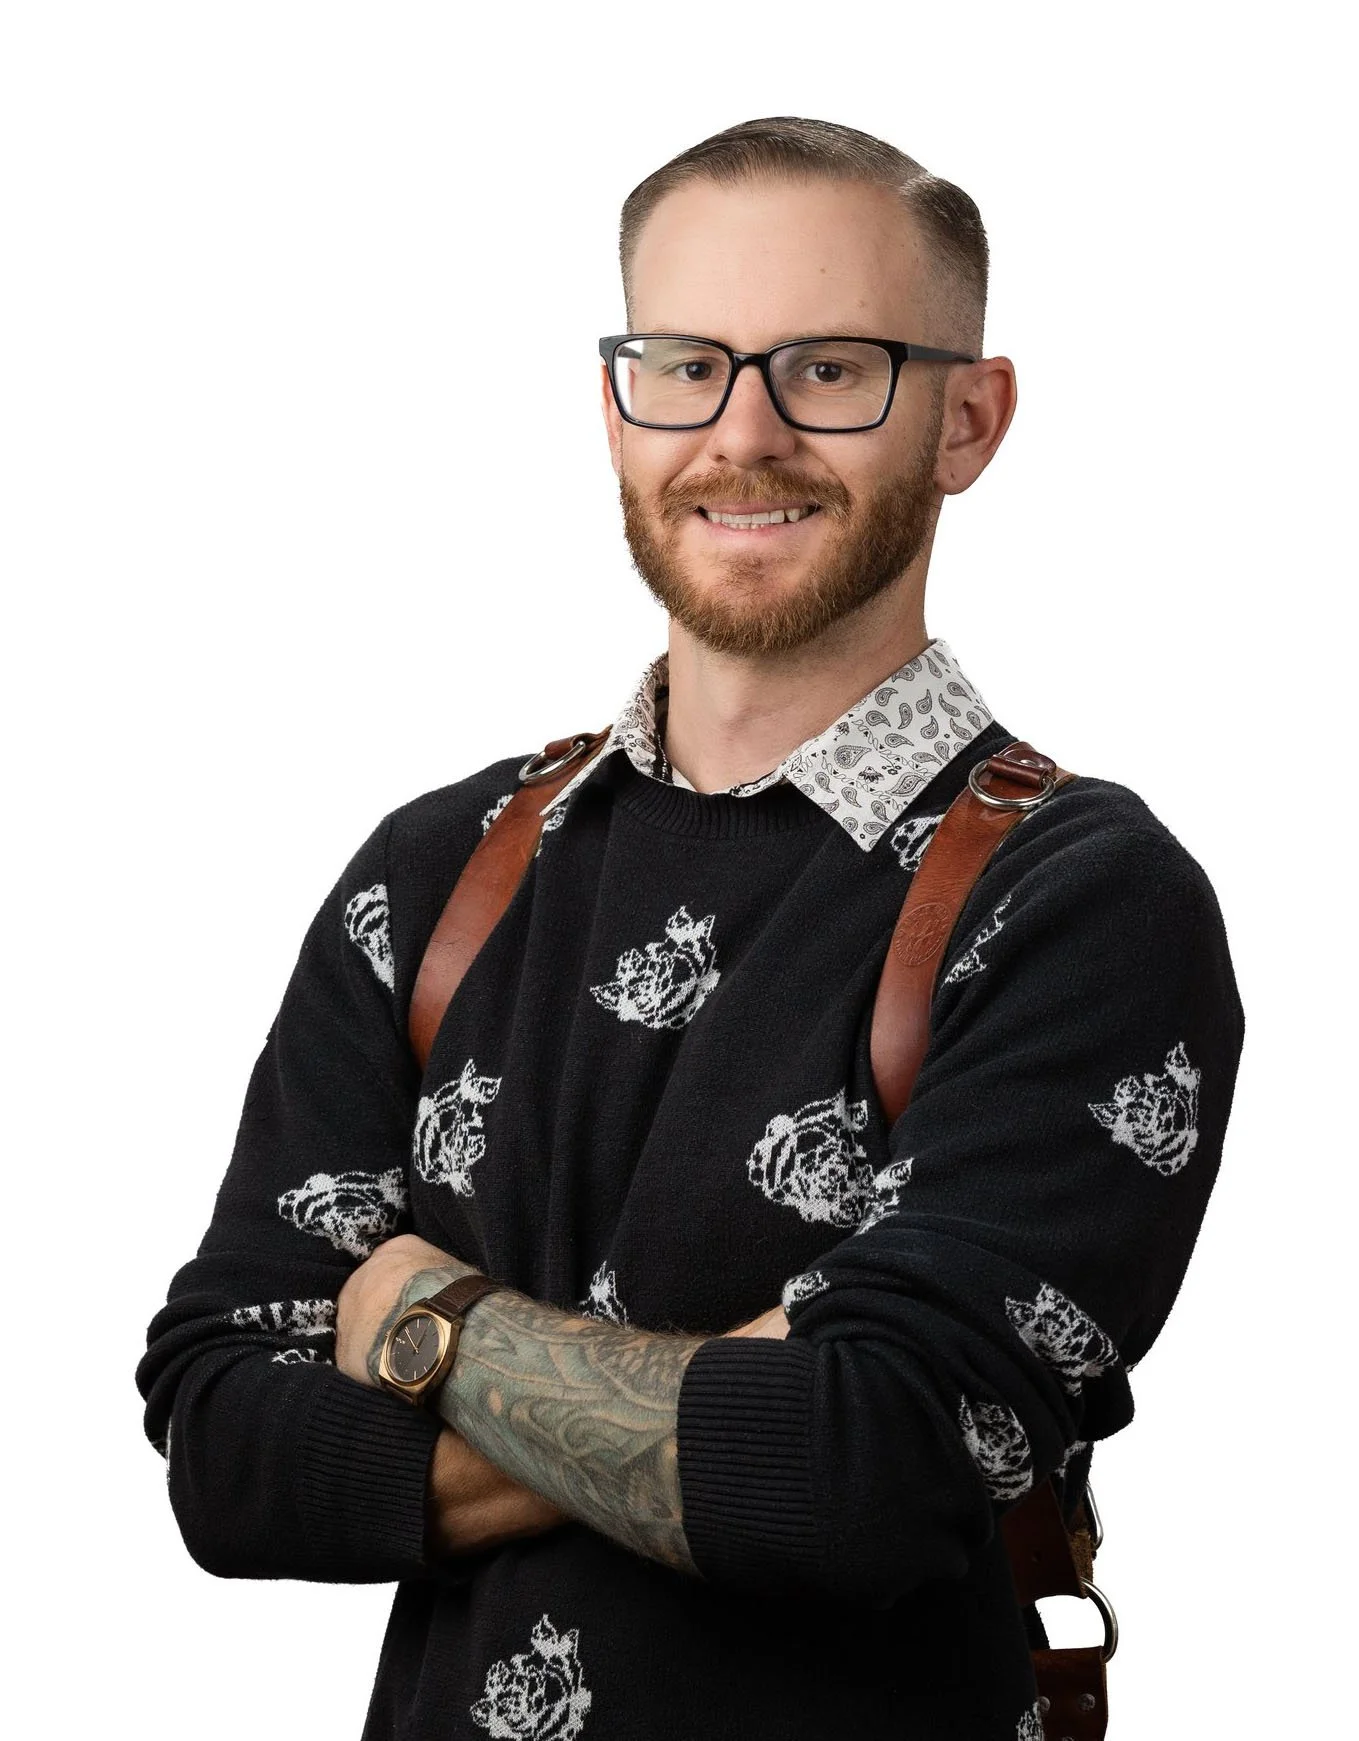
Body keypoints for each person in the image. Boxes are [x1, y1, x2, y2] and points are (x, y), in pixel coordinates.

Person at [136, 116, 1244, 1741]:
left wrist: (423, 1321)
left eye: (830, 368)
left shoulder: (1078, 894)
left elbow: (861, 1472)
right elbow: (226, 1453)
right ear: (615, 405)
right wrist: (736, 1392)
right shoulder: (436, 871)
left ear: (967, 418)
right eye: (684, 364)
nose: (743, 433)